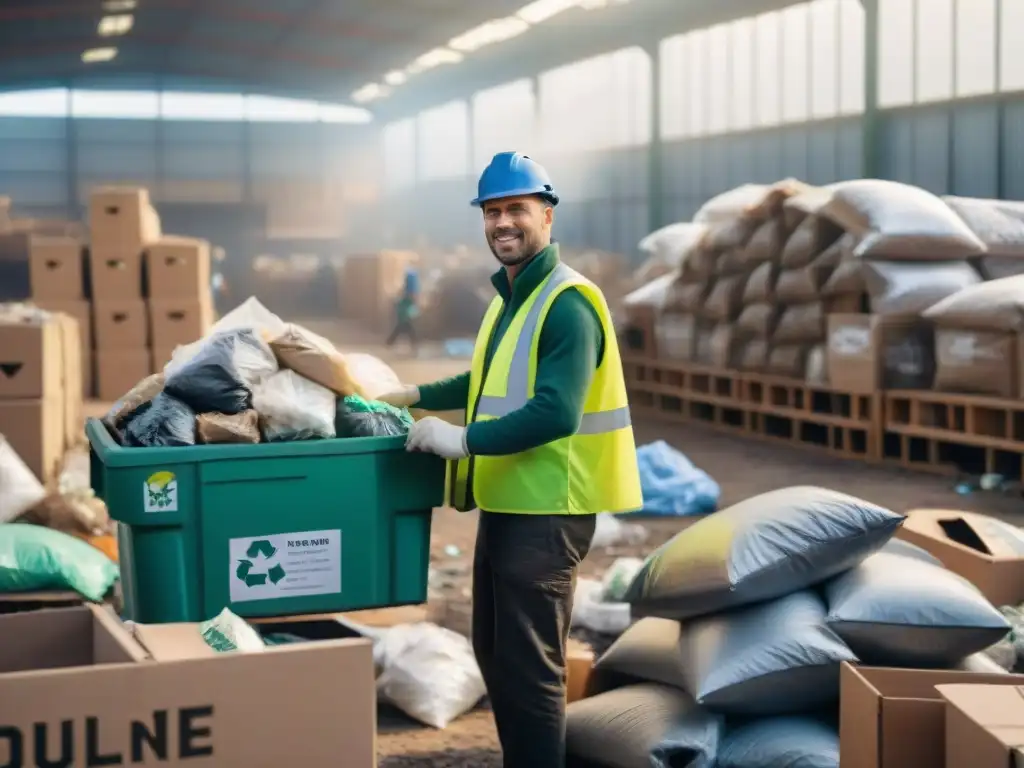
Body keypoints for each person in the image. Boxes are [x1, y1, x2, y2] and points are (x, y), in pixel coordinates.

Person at [377, 151, 642, 768]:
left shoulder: (567, 303)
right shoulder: (511, 297)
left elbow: (555, 411)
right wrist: (414, 396)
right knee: (496, 656)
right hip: (508, 503)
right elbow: (486, 382)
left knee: (530, 673)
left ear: (546, 216)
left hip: (548, 511)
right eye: (492, 211)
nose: (502, 223)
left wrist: (459, 440)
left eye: (516, 209)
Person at [386, 265, 419, 354]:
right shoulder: (412, 288)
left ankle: (390, 342)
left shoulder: (410, 289)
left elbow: (408, 297)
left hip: (405, 311)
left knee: (404, 327)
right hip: (406, 311)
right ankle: (390, 342)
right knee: (406, 327)